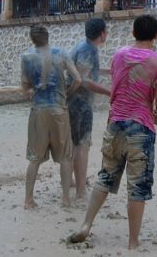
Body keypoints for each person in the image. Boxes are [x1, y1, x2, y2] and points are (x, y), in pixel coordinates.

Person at [68, 14, 157, 250]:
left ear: (133, 33)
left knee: (105, 176)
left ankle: (85, 224)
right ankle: (133, 242)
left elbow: (118, 84)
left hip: (115, 124)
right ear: (156, 35)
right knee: (138, 185)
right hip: (140, 128)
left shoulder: (119, 55)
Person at [21, 24, 82, 209]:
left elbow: (25, 87)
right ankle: (65, 199)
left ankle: (28, 200)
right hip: (59, 109)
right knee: (65, 156)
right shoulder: (61, 53)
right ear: (48, 36)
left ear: (32, 39)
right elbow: (78, 80)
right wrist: (67, 94)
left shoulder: (26, 57)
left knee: (34, 158)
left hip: (38, 110)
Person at [67, 18, 111, 200]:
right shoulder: (88, 50)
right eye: (106, 31)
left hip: (72, 102)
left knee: (73, 144)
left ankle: (69, 181)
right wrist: (110, 92)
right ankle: (80, 191)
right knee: (82, 145)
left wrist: (110, 71)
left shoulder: (82, 46)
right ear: (101, 34)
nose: (107, 34)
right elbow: (84, 81)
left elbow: (87, 71)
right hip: (80, 104)